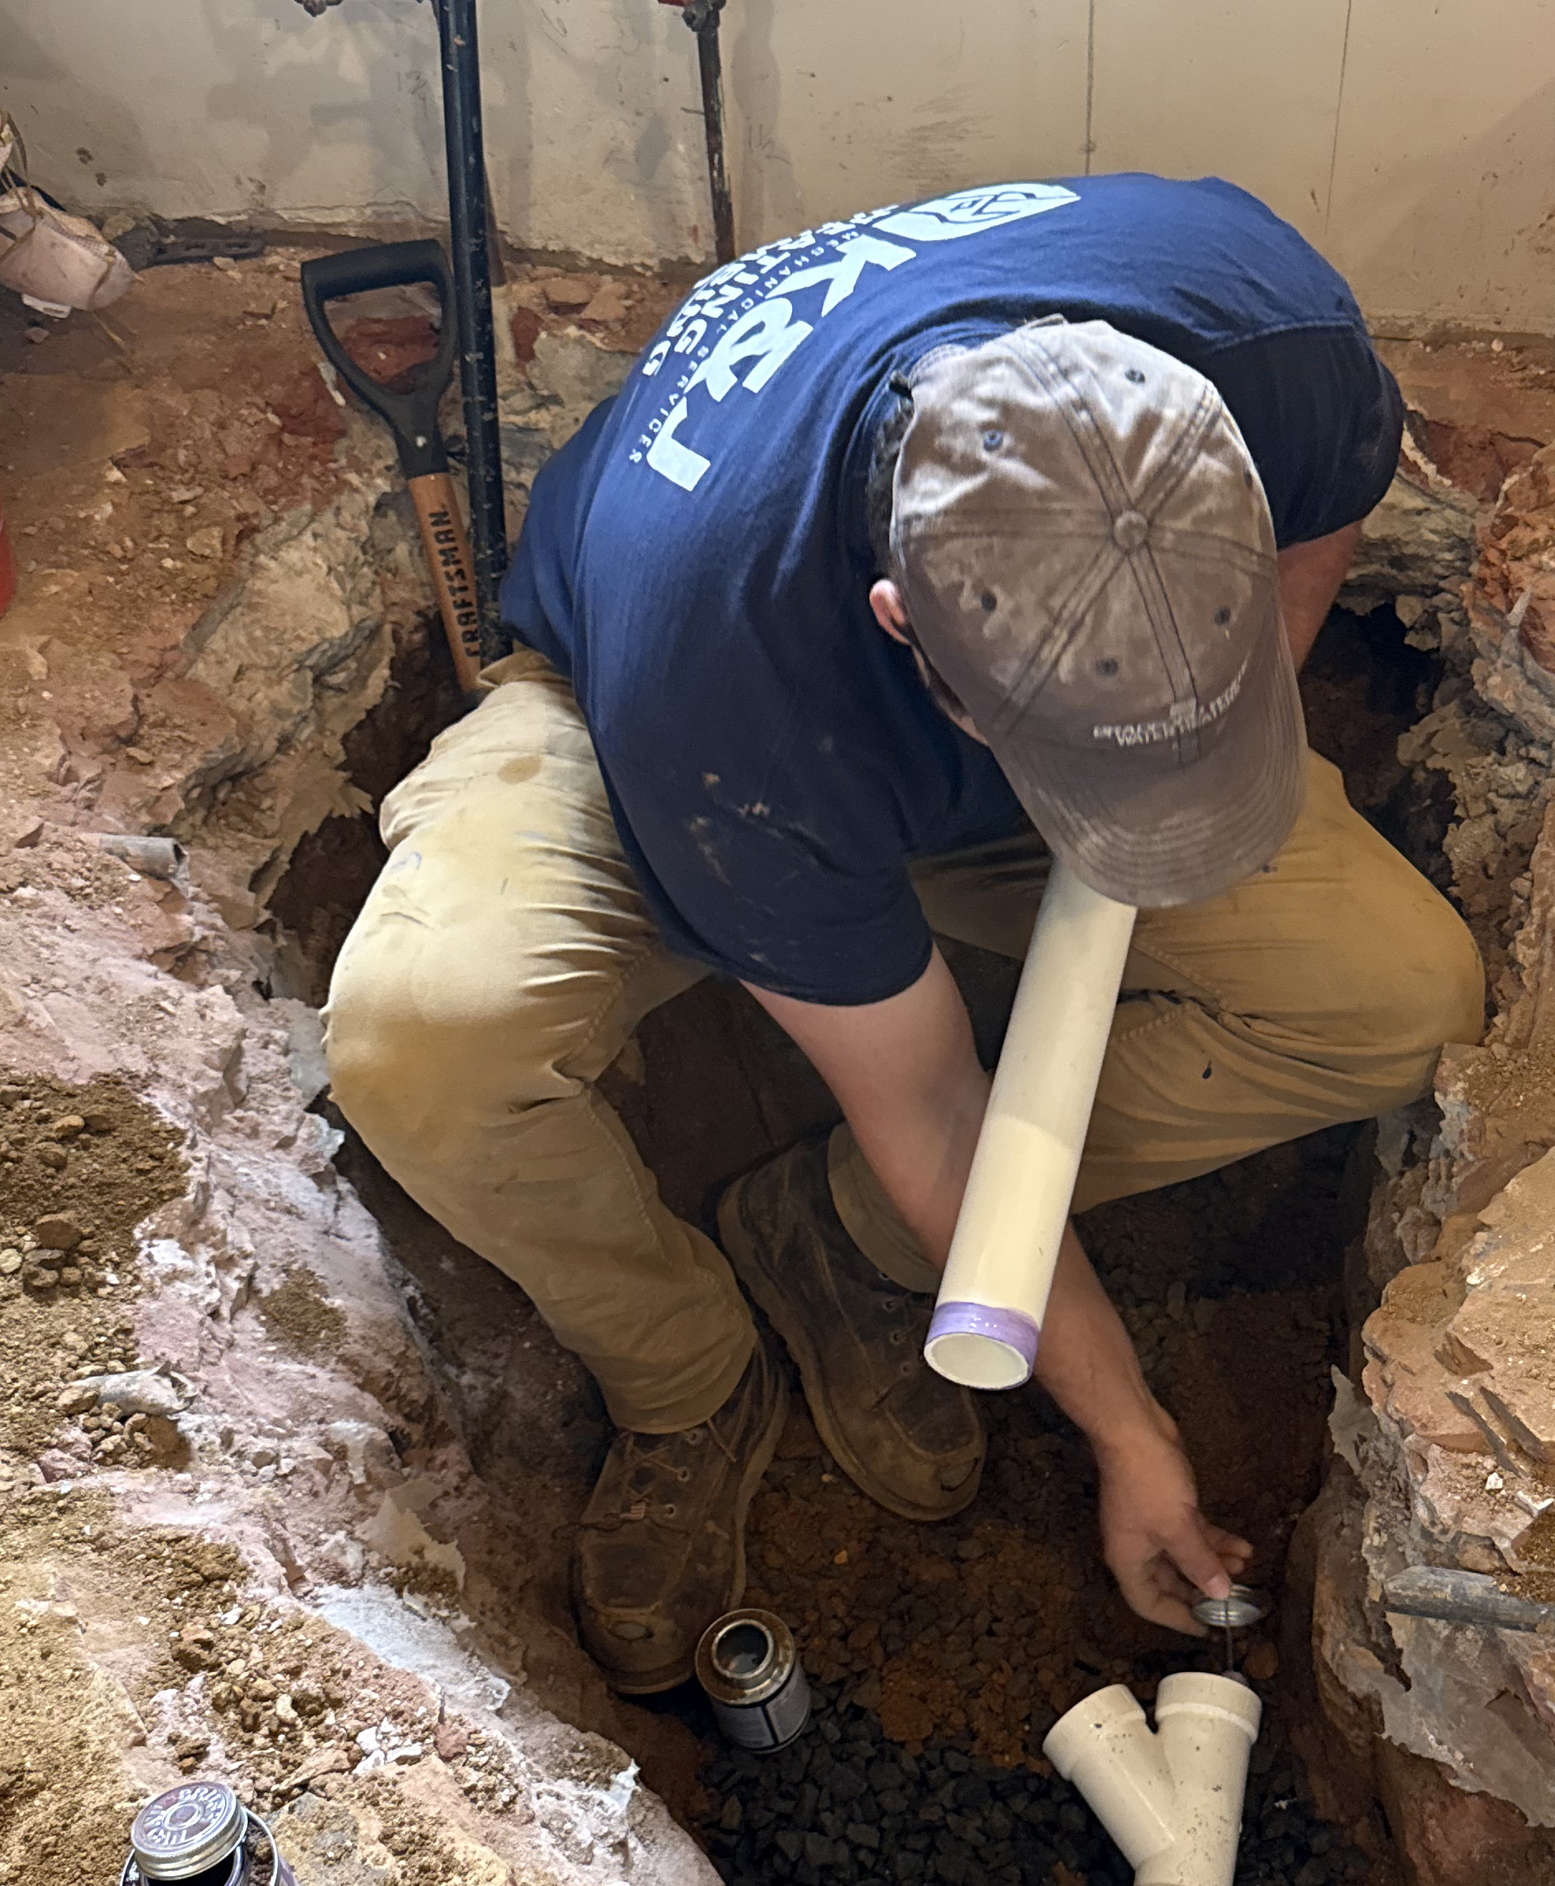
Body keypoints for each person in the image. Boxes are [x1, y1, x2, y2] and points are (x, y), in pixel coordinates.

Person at [325, 173, 1482, 1697]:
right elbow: (928, 1102)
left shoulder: (1270, 333)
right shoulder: (731, 687)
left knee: (1401, 1000)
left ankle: (835, 1243)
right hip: (657, 734)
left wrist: (1162, 758)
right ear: (901, 626)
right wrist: (1129, 1431)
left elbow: (1323, 511)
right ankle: (690, 1376)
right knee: (426, 1038)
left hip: (1045, 728)